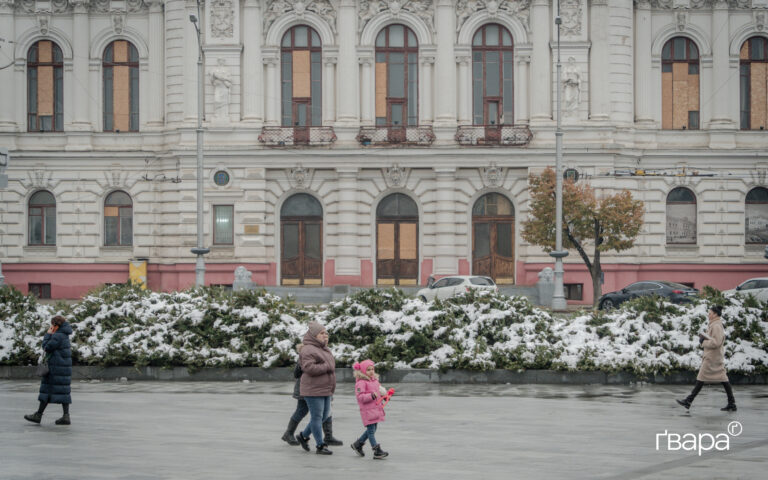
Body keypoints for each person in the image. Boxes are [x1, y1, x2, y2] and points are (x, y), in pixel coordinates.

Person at [676, 305, 737, 412]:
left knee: (702, 378)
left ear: (715, 314)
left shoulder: (716, 326)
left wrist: (703, 341)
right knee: (723, 379)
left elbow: (716, 342)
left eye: (710, 313)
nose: (708, 315)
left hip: (712, 357)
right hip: (713, 356)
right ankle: (731, 403)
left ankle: (688, 401)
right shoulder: (714, 324)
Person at [281, 343, 342, 447]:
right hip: (306, 388)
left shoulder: (323, 353)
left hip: (322, 387)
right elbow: (296, 373)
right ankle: (289, 433)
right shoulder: (306, 355)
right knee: (302, 411)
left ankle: (328, 436)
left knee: (326, 411)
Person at [295, 321, 337, 455]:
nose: (325, 335)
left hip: (325, 388)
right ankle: (320, 445)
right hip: (313, 389)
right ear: (314, 335)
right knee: (317, 417)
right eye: (321, 333)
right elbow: (308, 368)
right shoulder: (308, 349)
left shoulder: (323, 348)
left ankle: (303, 436)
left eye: (325, 332)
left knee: (324, 416)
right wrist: (326, 367)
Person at [24, 315, 73, 425]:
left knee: (46, 391)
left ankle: (38, 415)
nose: (51, 327)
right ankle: (66, 416)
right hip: (63, 369)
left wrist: (48, 335)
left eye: (52, 325)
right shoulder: (64, 334)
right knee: (64, 392)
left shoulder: (57, 335)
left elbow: (46, 347)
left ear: (56, 325)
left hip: (55, 368)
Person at [350, 359, 389, 460]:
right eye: (368, 370)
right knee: (371, 431)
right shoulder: (361, 382)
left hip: (375, 409)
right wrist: (372, 396)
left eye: (372, 369)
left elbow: (378, 392)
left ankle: (358, 444)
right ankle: (376, 450)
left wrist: (384, 396)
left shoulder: (374, 381)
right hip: (367, 410)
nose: (371, 371)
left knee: (373, 429)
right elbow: (360, 397)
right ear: (362, 371)